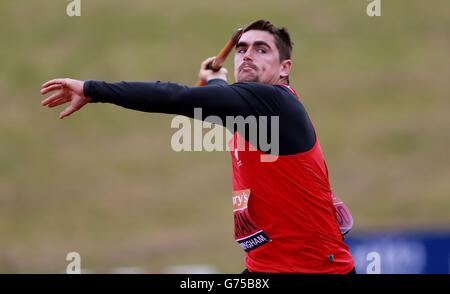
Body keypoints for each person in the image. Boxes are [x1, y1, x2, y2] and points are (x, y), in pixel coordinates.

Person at [40, 19, 355, 273]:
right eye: (242, 48)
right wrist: (216, 81)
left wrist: (93, 89)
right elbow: (224, 104)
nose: (246, 55)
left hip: (313, 270)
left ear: (285, 68)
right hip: (265, 268)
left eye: (261, 50)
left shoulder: (276, 104)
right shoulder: (253, 108)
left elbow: (177, 97)